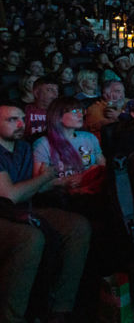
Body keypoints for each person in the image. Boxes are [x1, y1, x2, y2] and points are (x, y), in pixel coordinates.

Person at [0, 101, 91, 323]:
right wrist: (45, 177)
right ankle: (11, 317)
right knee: (31, 239)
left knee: (78, 226)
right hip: (4, 214)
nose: (21, 124)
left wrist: (62, 182)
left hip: (25, 208)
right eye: (12, 120)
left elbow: (32, 186)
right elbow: (9, 196)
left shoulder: (22, 147)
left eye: (22, 118)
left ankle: (59, 308)